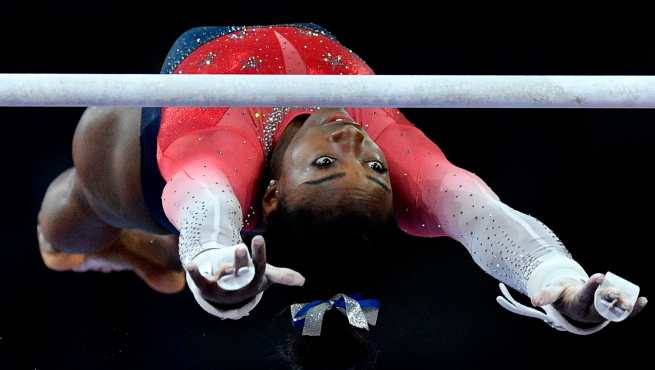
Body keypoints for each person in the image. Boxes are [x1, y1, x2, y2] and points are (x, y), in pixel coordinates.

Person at [37, 22, 646, 366]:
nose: (353, 139)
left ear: (271, 194)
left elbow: (207, 203)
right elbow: (484, 215)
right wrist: (557, 279)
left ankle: (131, 248)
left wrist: (207, 260)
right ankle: (163, 255)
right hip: (260, 93)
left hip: (157, 167)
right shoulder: (399, 153)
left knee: (72, 215)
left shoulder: (220, 149)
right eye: (375, 167)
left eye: (326, 163)